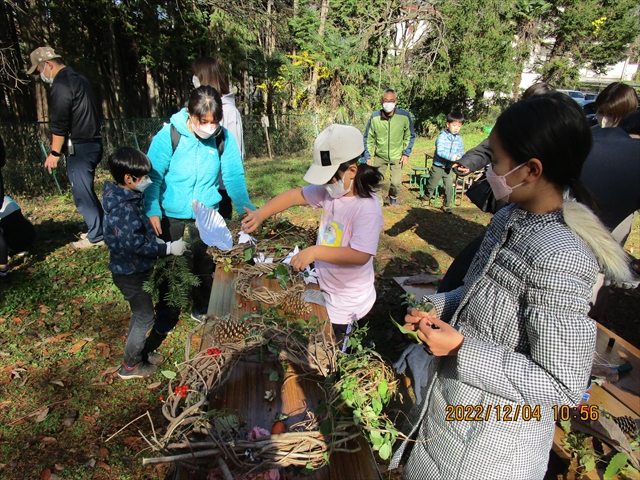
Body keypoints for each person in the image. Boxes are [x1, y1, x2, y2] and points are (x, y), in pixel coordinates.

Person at [392, 93, 632, 479]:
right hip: (449, 419)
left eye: (496, 161)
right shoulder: (508, 220)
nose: (488, 169)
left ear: (530, 170)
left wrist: (461, 348)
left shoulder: (560, 257)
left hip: (488, 451)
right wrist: (440, 305)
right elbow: (475, 293)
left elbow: (562, 386)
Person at [241, 124, 384, 346]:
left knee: (333, 348)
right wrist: (261, 214)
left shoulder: (367, 208)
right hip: (325, 286)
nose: (326, 185)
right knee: (315, 333)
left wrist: (315, 251)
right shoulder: (333, 191)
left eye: (329, 178)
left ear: (352, 171)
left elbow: (360, 255)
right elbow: (293, 195)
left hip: (347, 301)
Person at [145, 86, 254, 329]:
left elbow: (234, 177)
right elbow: (152, 175)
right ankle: (166, 312)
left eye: (214, 121)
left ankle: (202, 306)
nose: (210, 127)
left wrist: (246, 209)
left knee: (205, 263)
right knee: (169, 265)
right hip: (169, 212)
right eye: (203, 121)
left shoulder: (223, 138)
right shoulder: (169, 135)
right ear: (190, 114)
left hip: (206, 211)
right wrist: (152, 207)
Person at [103, 147, 187, 379]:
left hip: (133, 270)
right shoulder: (124, 209)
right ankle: (130, 366)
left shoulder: (126, 200)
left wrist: (152, 237)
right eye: (144, 178)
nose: (148, 181)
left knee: (140, 315)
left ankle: (139, 353)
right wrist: (167, 247)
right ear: (128, 179)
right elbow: (135, 245)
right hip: (131, 274)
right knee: (144, 317)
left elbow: (136, 234)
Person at [27, 46, 104, 249]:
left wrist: (54, 152)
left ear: (48, 65)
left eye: (39, 70)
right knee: (86, 190)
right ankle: (99, 226)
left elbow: (60, 123)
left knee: (81, 193)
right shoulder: (81, 80)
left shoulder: (61, 85)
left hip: (79, 147)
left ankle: (96, 236)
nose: (40, 75)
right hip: (94, 142)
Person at [192, 56, 245, 219]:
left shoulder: (228, 110)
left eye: (195, 75)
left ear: (203, 77)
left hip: (221, 187)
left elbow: (235, 151)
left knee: (218, 235)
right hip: (200, 186)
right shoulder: (195, 108)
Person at [363, 89, 415, 206]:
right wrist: (367, 155)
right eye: (386, 100)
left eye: (391, 101)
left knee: (396, 183)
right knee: (377, 181)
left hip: (397, 155)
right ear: (382, 101)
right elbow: (368, 137)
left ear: (396, 102)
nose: (388, 103)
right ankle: (378, 203)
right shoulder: (375, 117)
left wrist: (406, 153)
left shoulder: (404, 116)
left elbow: (410, 136)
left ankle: (393, 198)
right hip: (380, 155)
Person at [420, 111, 465, 213]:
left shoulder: (459, 139)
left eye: (459, 126)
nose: (456, 128)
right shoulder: (442, 136)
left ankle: (446, 205)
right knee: (432, 184)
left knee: (449, 187)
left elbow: (461, 152)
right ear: (448, 124)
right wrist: (452, 157)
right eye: (454, 125)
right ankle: (426, 199)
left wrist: (459, 159)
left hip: (449, 168)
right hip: (438, 166)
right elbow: (440, 151)